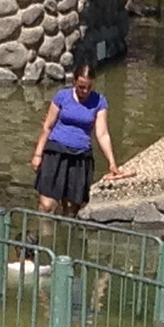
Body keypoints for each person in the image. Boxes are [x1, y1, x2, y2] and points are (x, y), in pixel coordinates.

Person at [31, 63, 131, 218]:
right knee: (47, 205)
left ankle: (66, 238)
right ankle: (46, 238)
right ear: (74, 82)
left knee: (71, 208)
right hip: (56, 152)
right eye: (81, 87)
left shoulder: (99, 101)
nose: (85, 91)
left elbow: (102, 133)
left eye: (88, 87)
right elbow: (47, 126)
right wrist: (38, 154)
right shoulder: (62, 97)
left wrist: (112, 162)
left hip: (80, 157)